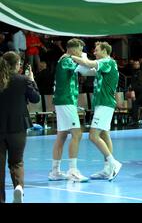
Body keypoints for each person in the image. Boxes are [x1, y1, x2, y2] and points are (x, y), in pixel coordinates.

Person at [70, 42, 122, 181]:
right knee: (104, 135)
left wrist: (74, 56)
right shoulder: (104, 65)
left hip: (105, 104)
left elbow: (89, 64)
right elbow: (86, 69)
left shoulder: (107, 62)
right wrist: (81, 61)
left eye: (97, 50)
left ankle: (113, 163)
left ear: (105, 51)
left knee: (93, 136)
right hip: (102, 104)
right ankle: (107, 169)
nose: (95, 52)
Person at [0, 51, 40, 203]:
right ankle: (19, 188)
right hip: (18, 128)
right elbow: (35, 98)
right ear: (17, 65)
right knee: (16, 162)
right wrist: (31, 80)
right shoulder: (23, 80)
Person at [48, 39, 90, 183]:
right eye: (80, 49)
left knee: (62, 135)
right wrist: (81, 57)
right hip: (65, 100)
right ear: (72, 49)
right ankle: (72, 171)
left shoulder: (66, 60)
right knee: (77, 134)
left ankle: (55, 171)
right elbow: (85, 68)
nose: (81, 52)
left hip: (63, 101)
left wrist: (77, 57)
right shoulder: (66, 60)